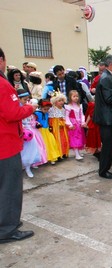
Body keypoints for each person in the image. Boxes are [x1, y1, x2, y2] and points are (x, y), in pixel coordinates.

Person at [0, 47, 36, 244]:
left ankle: (5, 221)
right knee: (9, 189)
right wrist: (31, 107)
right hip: (5, 146)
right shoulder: (3, 85)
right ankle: (7, 229)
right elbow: (13, 113)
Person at [18, 89, 41, 178]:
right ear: (18, 99)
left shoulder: (28, 109)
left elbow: (32, 120)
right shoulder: (17, 109)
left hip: (29, 134)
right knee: (21, 152)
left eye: (28, 100)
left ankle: (28, 167)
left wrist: (35, 124)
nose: (26, 102)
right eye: (24, 100)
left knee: (30, 151)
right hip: (20, 133)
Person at [35, 99, 61, 165]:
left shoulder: (47, 113)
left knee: (51, 143)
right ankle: (43, 159)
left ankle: (52, 157)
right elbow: (34, 121)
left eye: (47, 109)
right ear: (40, 107)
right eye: (45, 109)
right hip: (40, 131)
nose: (46, 111)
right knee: (43, 145)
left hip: (47, 130)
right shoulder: (37, 113)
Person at [65, 90, 87, 160]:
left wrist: (83, 122)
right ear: (70, 97)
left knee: (79, 138)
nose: (76, 98)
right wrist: (70, 124)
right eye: (74, 96)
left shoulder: (80, 106)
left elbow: (82, 115)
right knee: (74, 139)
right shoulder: (68, 107)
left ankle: (78, 153)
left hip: (79, 125)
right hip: (73, 125)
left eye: (77, 96)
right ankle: (77, 154)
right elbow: (66, 116)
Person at [49, 92, 69, 159]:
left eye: (62, 100)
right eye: (59, 101)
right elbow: (51, 119)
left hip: (63, 127)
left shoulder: (63, 109)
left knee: (64, 139)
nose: (61, 102)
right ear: (54, 101)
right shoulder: (52, 109)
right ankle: (58, 154)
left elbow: (64, 118)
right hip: (56, 126)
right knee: (57, 140)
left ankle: (64, 153)